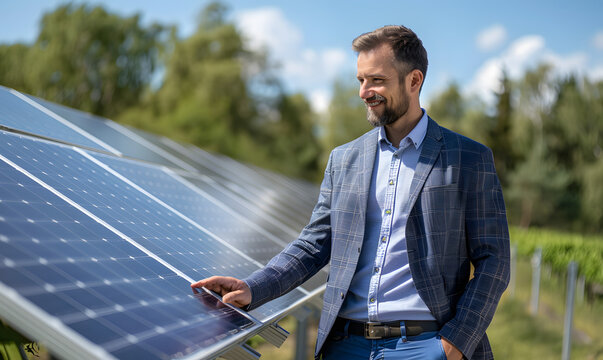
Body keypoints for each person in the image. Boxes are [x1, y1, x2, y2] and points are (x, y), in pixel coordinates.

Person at [192, 25, 509, 360]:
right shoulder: (344, 160)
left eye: (376, 80)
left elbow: (495, 261)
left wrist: (454, 344)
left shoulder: (469, 158)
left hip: (424, 346)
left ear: (414, 81)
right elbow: (313, 244)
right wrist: (253, 287)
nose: (364, 92)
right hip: (345, 345)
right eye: (360, 80)